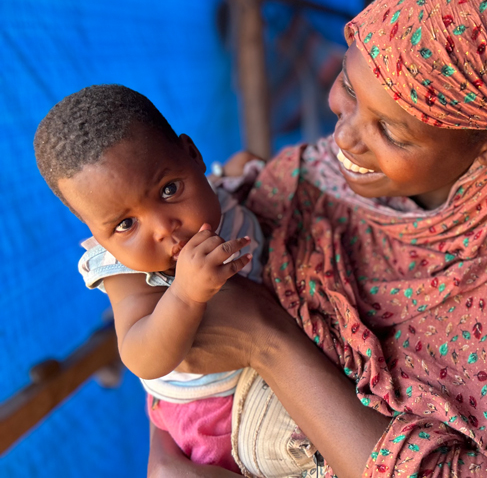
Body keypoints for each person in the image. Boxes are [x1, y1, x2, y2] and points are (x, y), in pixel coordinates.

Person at [156, 0, 487, 478]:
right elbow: (173, 290)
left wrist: (271, 344)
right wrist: (164, 451)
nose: (345, 137)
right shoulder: (305, 178)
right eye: (349, 89)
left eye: (393, 131)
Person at [33, 85, 312, 475]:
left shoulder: (219, 194)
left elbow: (232, 171)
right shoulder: (126, 274)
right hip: (214, 416)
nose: (164, 229)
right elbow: (140, 354)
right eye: (125, 225)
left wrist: (243, 166)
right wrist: (184, 295)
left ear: (193, 156)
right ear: (98, 237)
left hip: (277, 362)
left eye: (169, 190)